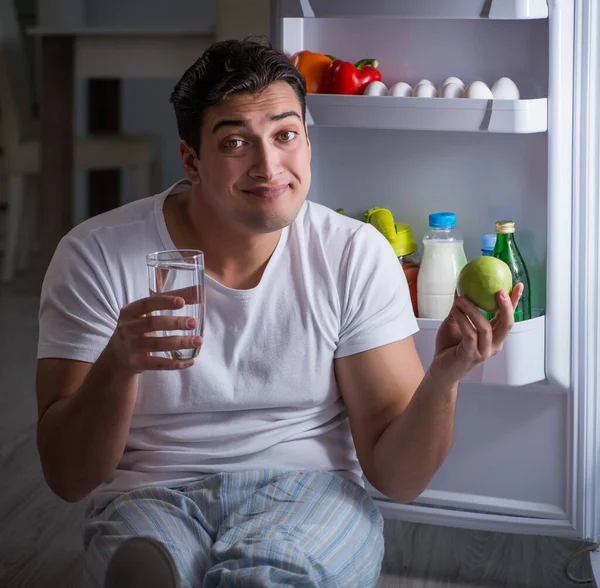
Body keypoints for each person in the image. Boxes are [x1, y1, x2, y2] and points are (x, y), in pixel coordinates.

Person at [35, 38, 522, 588]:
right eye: (236, 142)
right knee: (152, 565)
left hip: (310, 492)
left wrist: (445, 378)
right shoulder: (96, 254)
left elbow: (399, 479)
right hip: (148, 494)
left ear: (308, 143)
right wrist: (117, 366)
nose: (269, 166)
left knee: (274, 573)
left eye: (286, 135)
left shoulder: (352, 254)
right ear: (191, 160)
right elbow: (69, 477)